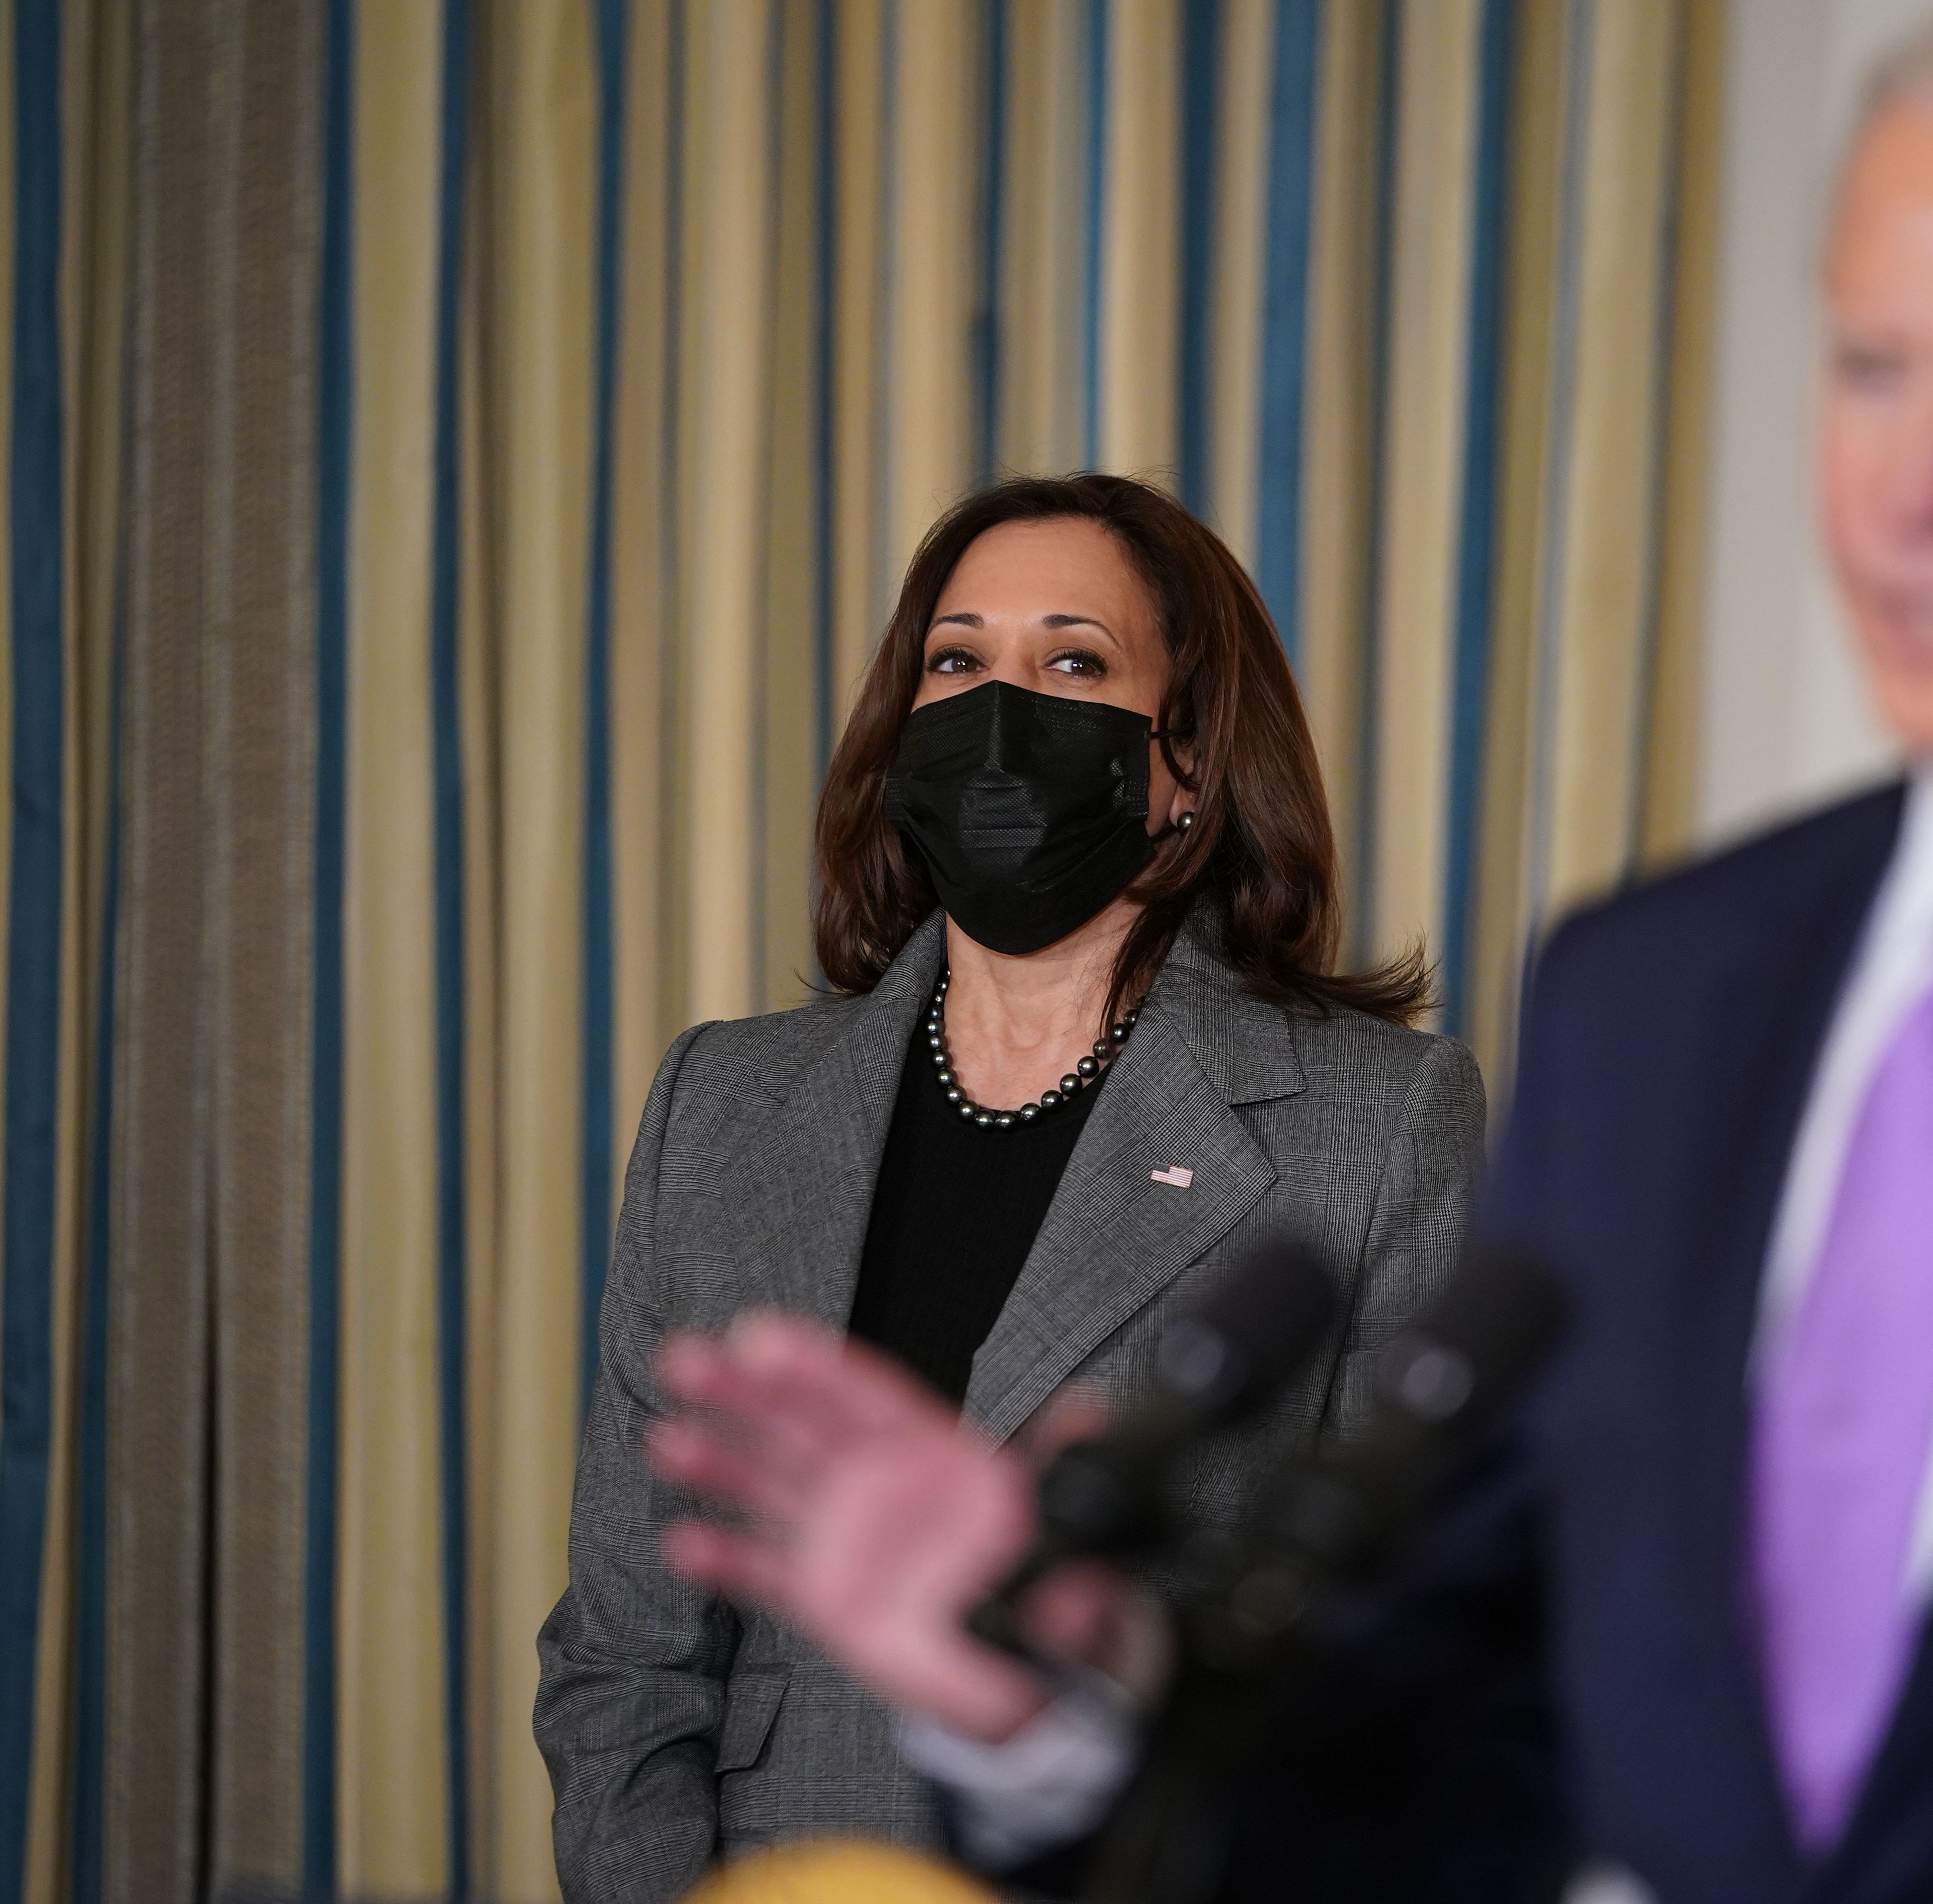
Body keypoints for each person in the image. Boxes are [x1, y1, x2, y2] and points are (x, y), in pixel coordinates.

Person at [644, 13, 1933, 1902]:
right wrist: (1067, 1681)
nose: (1917, 490)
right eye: (1872, 369)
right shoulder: (1653, 995)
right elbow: (1465, 1754)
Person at [532, 473, 1485, 1902]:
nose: (1000, 707)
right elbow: (625, 1657)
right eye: (958, 661)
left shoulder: (1384, 1118)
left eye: (1075, 663)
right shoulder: (719, 1105)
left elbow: (1415, 1674)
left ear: (1184, 762)